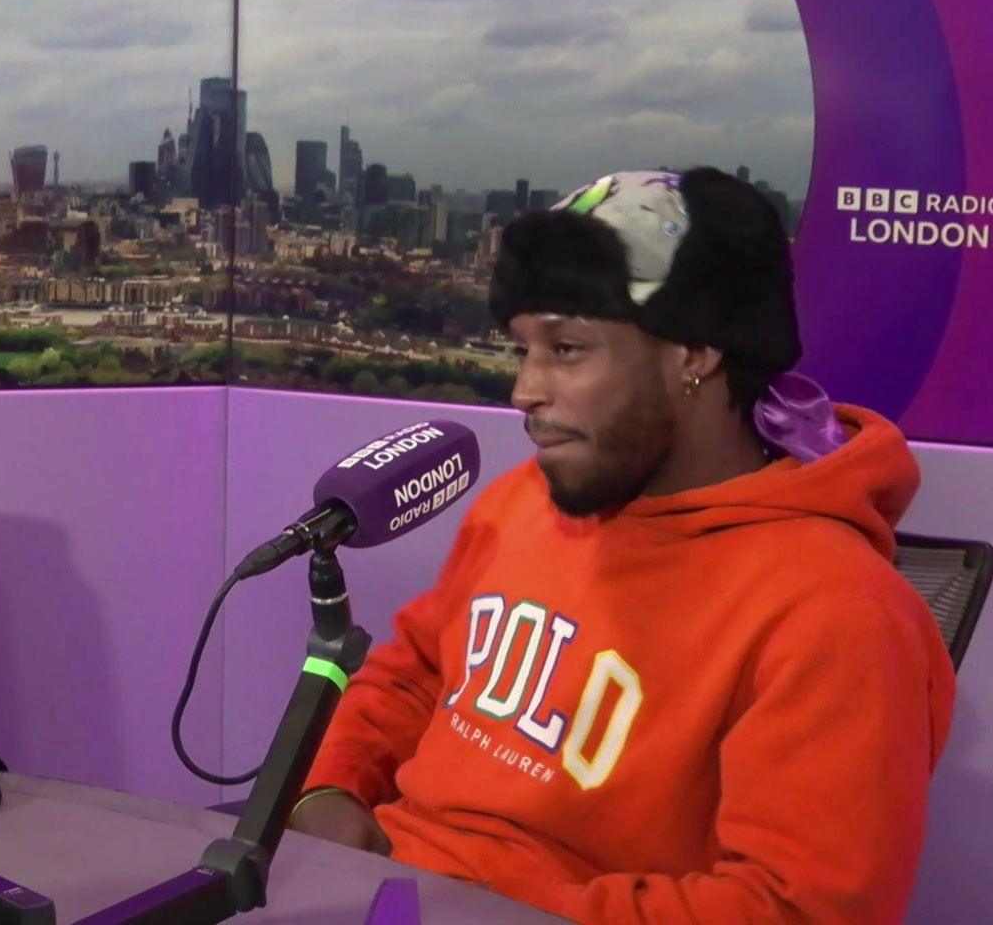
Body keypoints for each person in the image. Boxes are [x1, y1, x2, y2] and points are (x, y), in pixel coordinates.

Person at [290, 168, 954, 922]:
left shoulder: (841, 614)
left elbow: (796, 909)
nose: (525, 391)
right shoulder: (522, 505)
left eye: (568, 349)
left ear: (695, 353)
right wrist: (328, 788)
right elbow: (412, 676)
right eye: (524, 351)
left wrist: (483, 906)